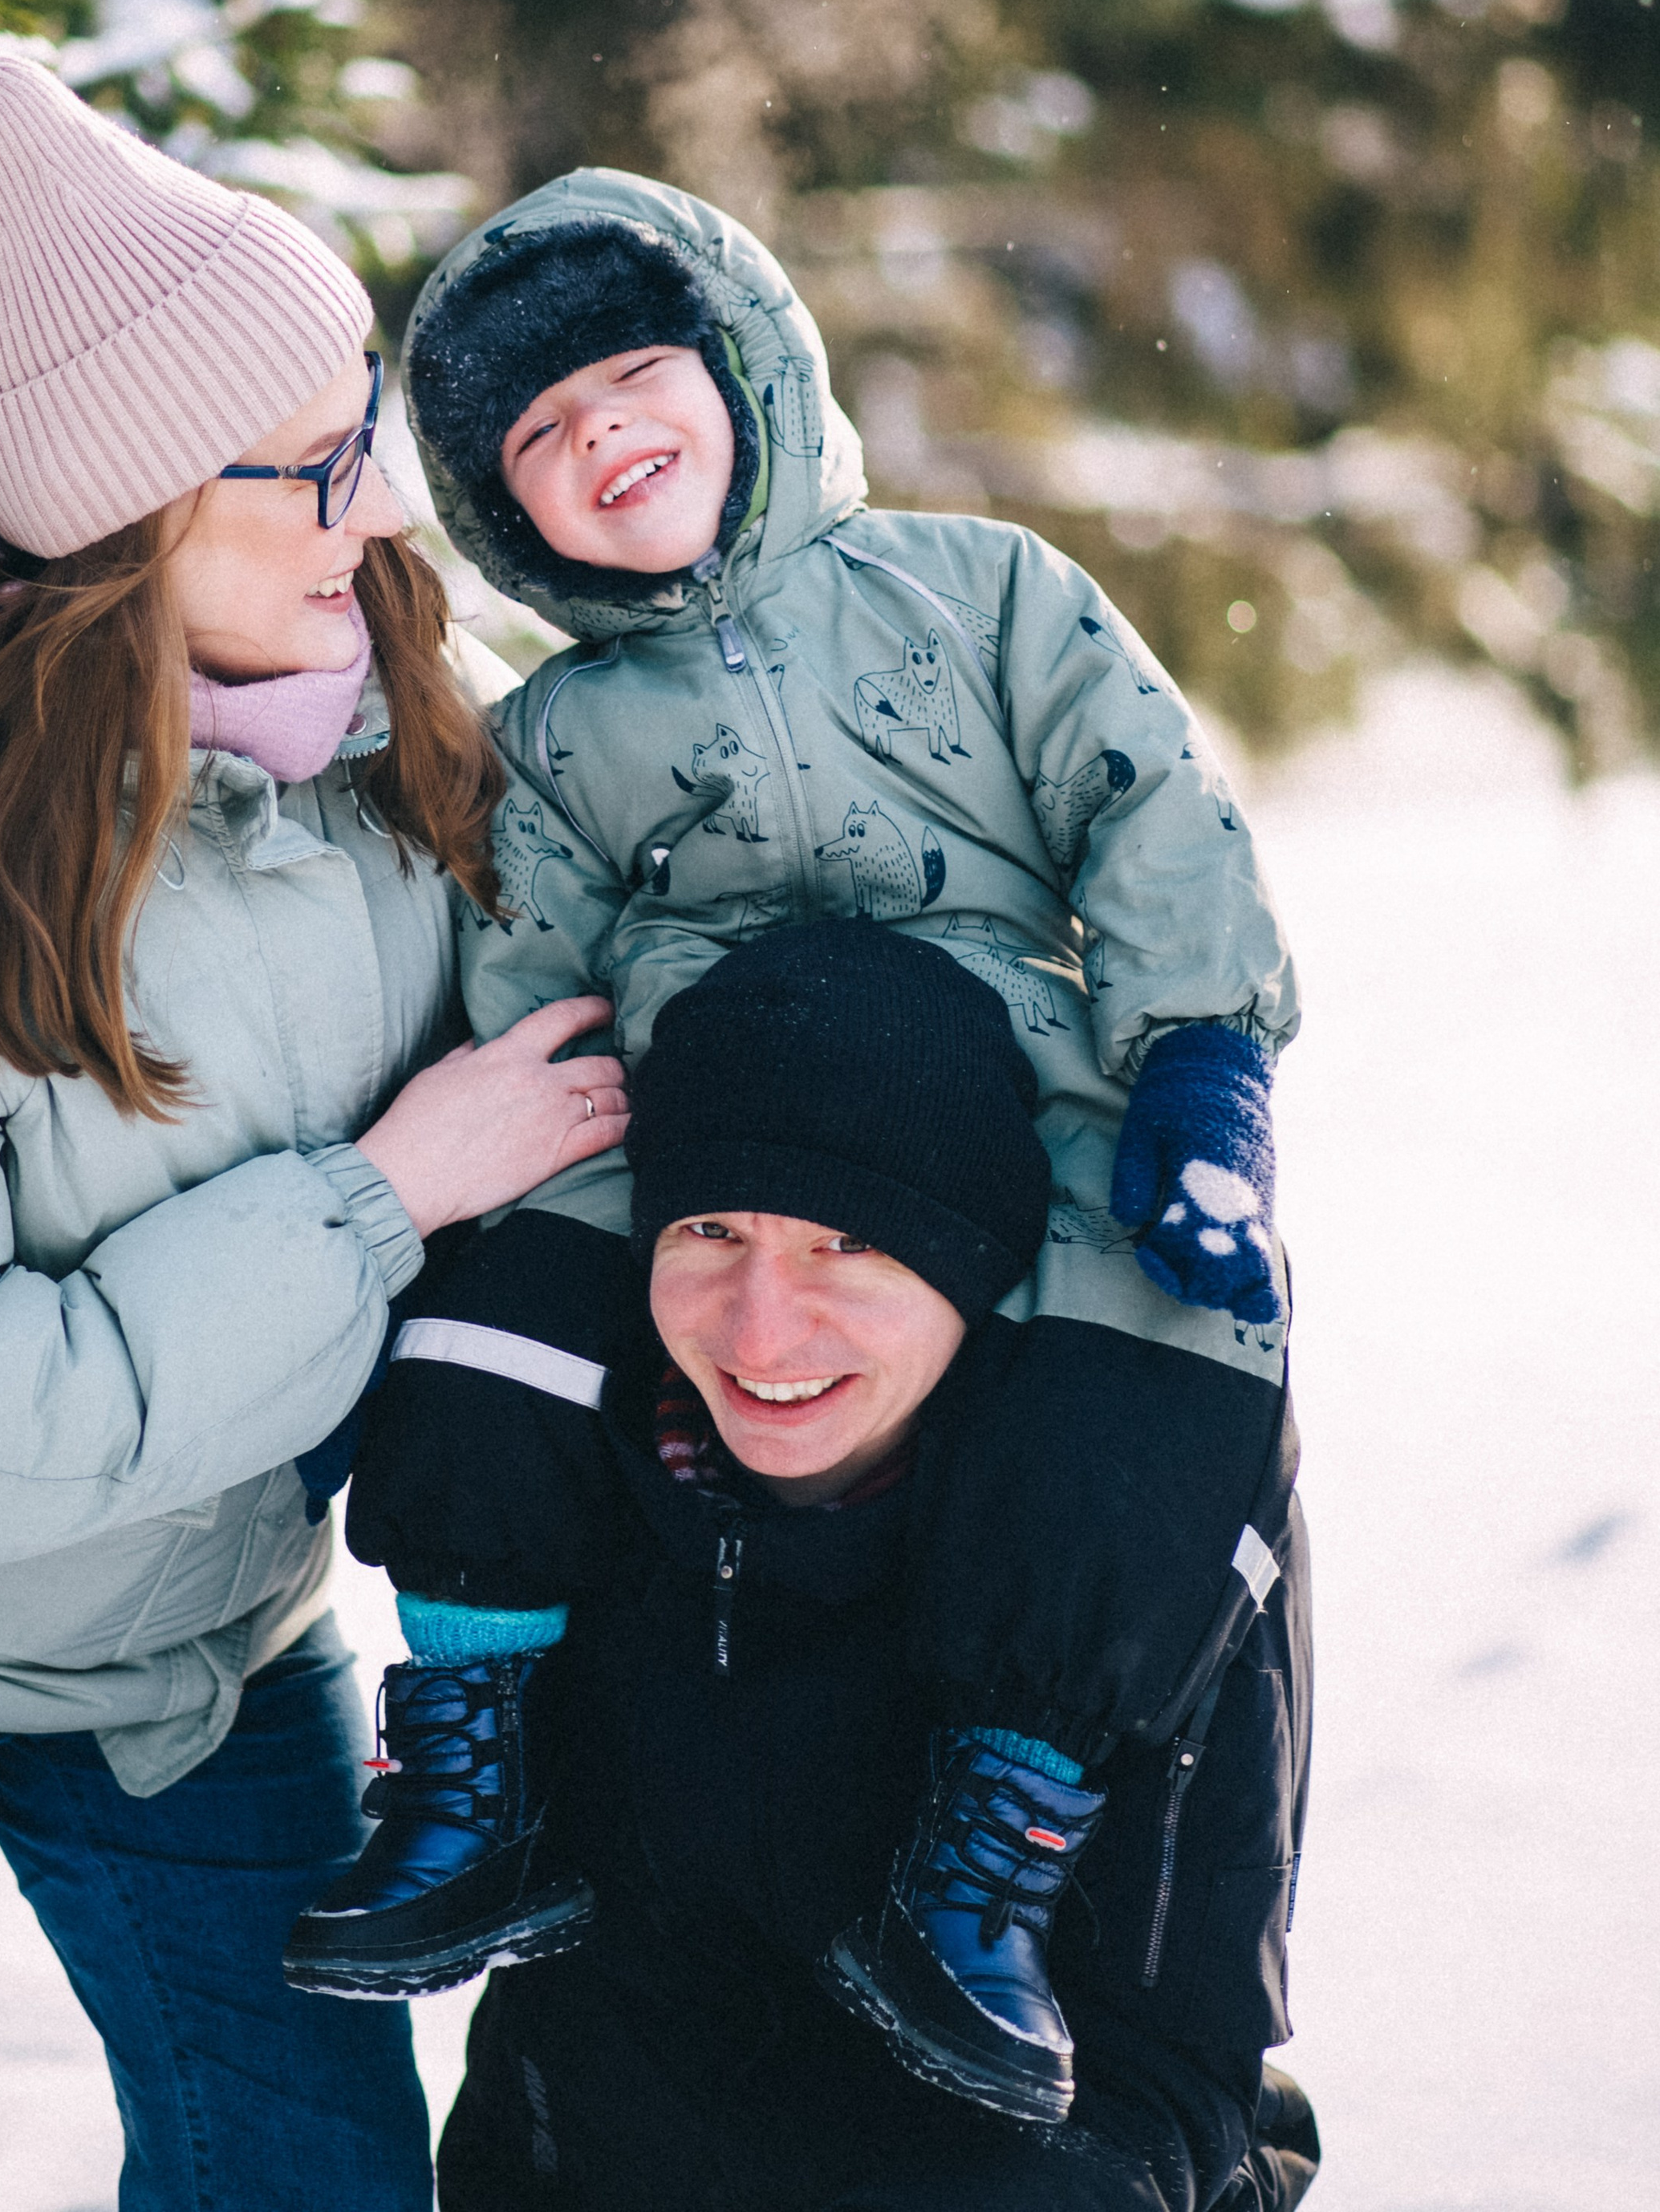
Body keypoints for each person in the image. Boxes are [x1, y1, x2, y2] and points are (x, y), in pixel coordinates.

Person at [0, 56, 628, 2212]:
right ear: (138, 508)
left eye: (370, 422)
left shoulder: (382, 706)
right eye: (316, 456)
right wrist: (378, 1203)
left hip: (186, 1622)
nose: (382, 496)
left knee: (317, 2178)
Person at [288, 168, 1300, 2133]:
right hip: (677, 1127)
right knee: (486, 1339)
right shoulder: (555, 735)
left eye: (635, 380)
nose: (602, 437)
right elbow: (532, 948)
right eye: (540, 436)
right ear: (506, 513)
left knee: (1170, 1353)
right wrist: (518, 1147)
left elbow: (1146, 802)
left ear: (744, 369)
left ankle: (997, 1839)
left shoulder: (977, 587)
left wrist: (1192, 1057)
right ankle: (478, 1749)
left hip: (1013, 1092)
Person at [434, 922, 1318, 2212]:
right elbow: (561, 2039)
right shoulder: (575, 1487)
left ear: (972, 1262)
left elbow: (1167, 2070)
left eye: (851, 1243)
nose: (762, 1324)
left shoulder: (1118, 1546)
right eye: (710, 1229)